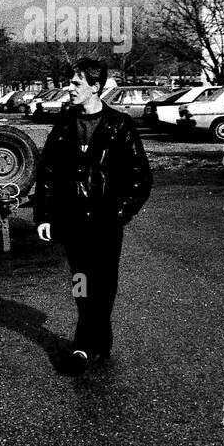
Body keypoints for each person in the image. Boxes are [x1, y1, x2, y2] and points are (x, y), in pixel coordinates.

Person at [34, 58, 151, 366]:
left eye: (76, 83)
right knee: (81, 282)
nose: (69, 88)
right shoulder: (64, 122)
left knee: (103, 284)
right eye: (70, 82)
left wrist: (119, 213)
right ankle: (100, 340)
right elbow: (48, 172)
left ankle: (82, 346)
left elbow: (141, 177)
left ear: (95, 87)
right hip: (72, 222)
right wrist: (44, 215)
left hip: (105, 223)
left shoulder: (119, 125)